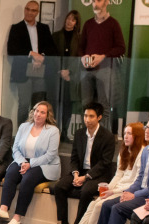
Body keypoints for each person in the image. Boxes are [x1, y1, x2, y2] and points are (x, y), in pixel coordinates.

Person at [52, 122, 144, 224]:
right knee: (94, 203)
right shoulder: (124, 150)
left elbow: (135, 182)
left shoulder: (142, 154)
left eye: (130, 133)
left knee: (99, 205)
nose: (126, 137)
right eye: (125, 133)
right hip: (117, 189)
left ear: (138, 136)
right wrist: (108, 190)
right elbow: (118, 175)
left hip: (126, 191)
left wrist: (114, 191)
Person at [0, 101, 60, 224]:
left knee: (27, 179)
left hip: (45, 164)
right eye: (37, 111)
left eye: (42, 112)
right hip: (23, 160)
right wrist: (23, 162)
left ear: (47, 115)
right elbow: (15, 148)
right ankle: (4, 208)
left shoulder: (53, 131)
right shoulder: (24, 126)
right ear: (33, 112)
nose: (38, 114)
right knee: (11, 172)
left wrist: (30, 164)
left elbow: (50, 155)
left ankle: (17, 217)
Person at [50, 102, 116, 224]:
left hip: (99, 175)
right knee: (59, 187)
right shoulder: (80, 134)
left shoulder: (108, 136)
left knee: (86, 191)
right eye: (85, 116)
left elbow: (105, 163)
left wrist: (85, 178)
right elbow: (74, 158)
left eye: (91, 116)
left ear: (99, 117)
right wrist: (75, 175)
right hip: (80, 172)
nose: (87, 119)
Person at [7, 1, 58, 127]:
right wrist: (31, 54)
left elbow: (52, 49)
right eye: (28, 9)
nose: (30, 12)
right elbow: (12, 50)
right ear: (25, 10)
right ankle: (21, 135)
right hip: (23, 71)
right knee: (24, 105)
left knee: (39, 105)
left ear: (37, 12)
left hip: (40, 71)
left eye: (33, 10)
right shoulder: (16, 28)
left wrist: (42, 58)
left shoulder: (44, 28)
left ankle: (36, 134)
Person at [78, 0, 126, 127]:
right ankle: (87, 135)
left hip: (105, 70)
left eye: (98, 0)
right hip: (86, 70)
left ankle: (102, 137)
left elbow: (121, 48)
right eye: (93, 1)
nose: (95, 3)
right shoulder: (88, 24)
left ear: (107, 2)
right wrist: (83, 57)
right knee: (86, 104)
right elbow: (80, 47)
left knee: (104, 104)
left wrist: (103, 56)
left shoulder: (113, 24)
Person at [51, 11, 82, 143]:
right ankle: (53, 133)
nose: (69, 21)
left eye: (73, 20)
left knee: (67, 105)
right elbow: (51, 55)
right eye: (68, 18)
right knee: (55, 104)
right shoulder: (56, 35)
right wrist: (60, 70)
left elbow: (79, 58)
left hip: (71, 77)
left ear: (76, 23)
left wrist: (69, 72)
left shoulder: (79, 38)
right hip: (56, 75)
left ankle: (64, 133)